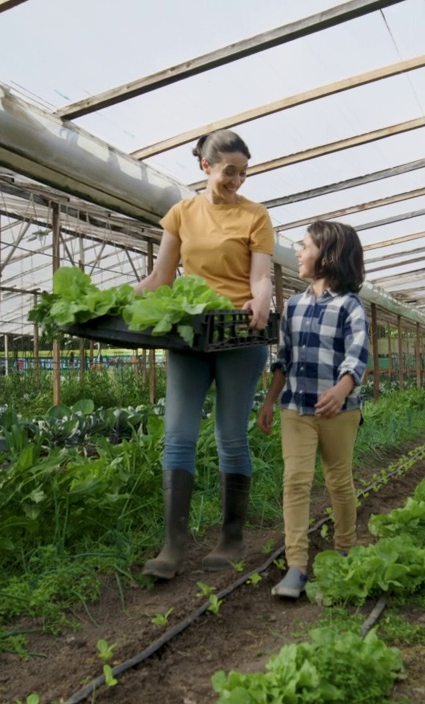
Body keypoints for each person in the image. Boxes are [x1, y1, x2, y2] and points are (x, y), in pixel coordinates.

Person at [133, 129, 274, 579]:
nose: (237, 181)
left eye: (243, 173)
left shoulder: (256, 216)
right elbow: (160, 278)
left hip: (237, 333)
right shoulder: (181, 213)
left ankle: (231, 538)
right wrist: (117, 301)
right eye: (229, 171)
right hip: (191, 335)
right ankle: (173, 546)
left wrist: (261, 301)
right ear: (205, 167)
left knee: (231, 435)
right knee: (177, 436)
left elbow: (260, 278)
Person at [258, 221, 368, 599]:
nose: (299, 253)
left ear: (329, 255)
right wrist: (271, 400)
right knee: (295, 481)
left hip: (340, 411)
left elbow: (357, 357)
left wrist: (341, 390)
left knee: (338, 480)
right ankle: (297, 566)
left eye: (305, 247)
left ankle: (345, 549)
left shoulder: (350, 306)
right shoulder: (292, 305)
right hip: (296, 408)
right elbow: (283, 359)